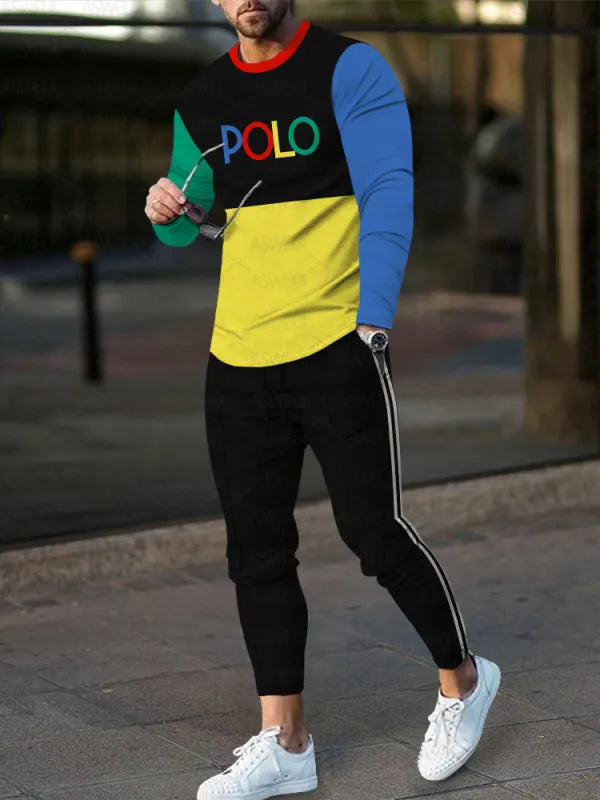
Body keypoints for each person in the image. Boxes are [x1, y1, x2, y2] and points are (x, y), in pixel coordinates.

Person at [144, 2, 501, 797]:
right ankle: (287, 743)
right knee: (256, 552)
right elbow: (197, 223)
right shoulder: (203, 98)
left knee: (373, 532)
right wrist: (172, 209)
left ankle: (465, 681)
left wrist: (374, 319)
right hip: (238, 355)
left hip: (336, 341)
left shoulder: (350, 69)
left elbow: (388, 191)